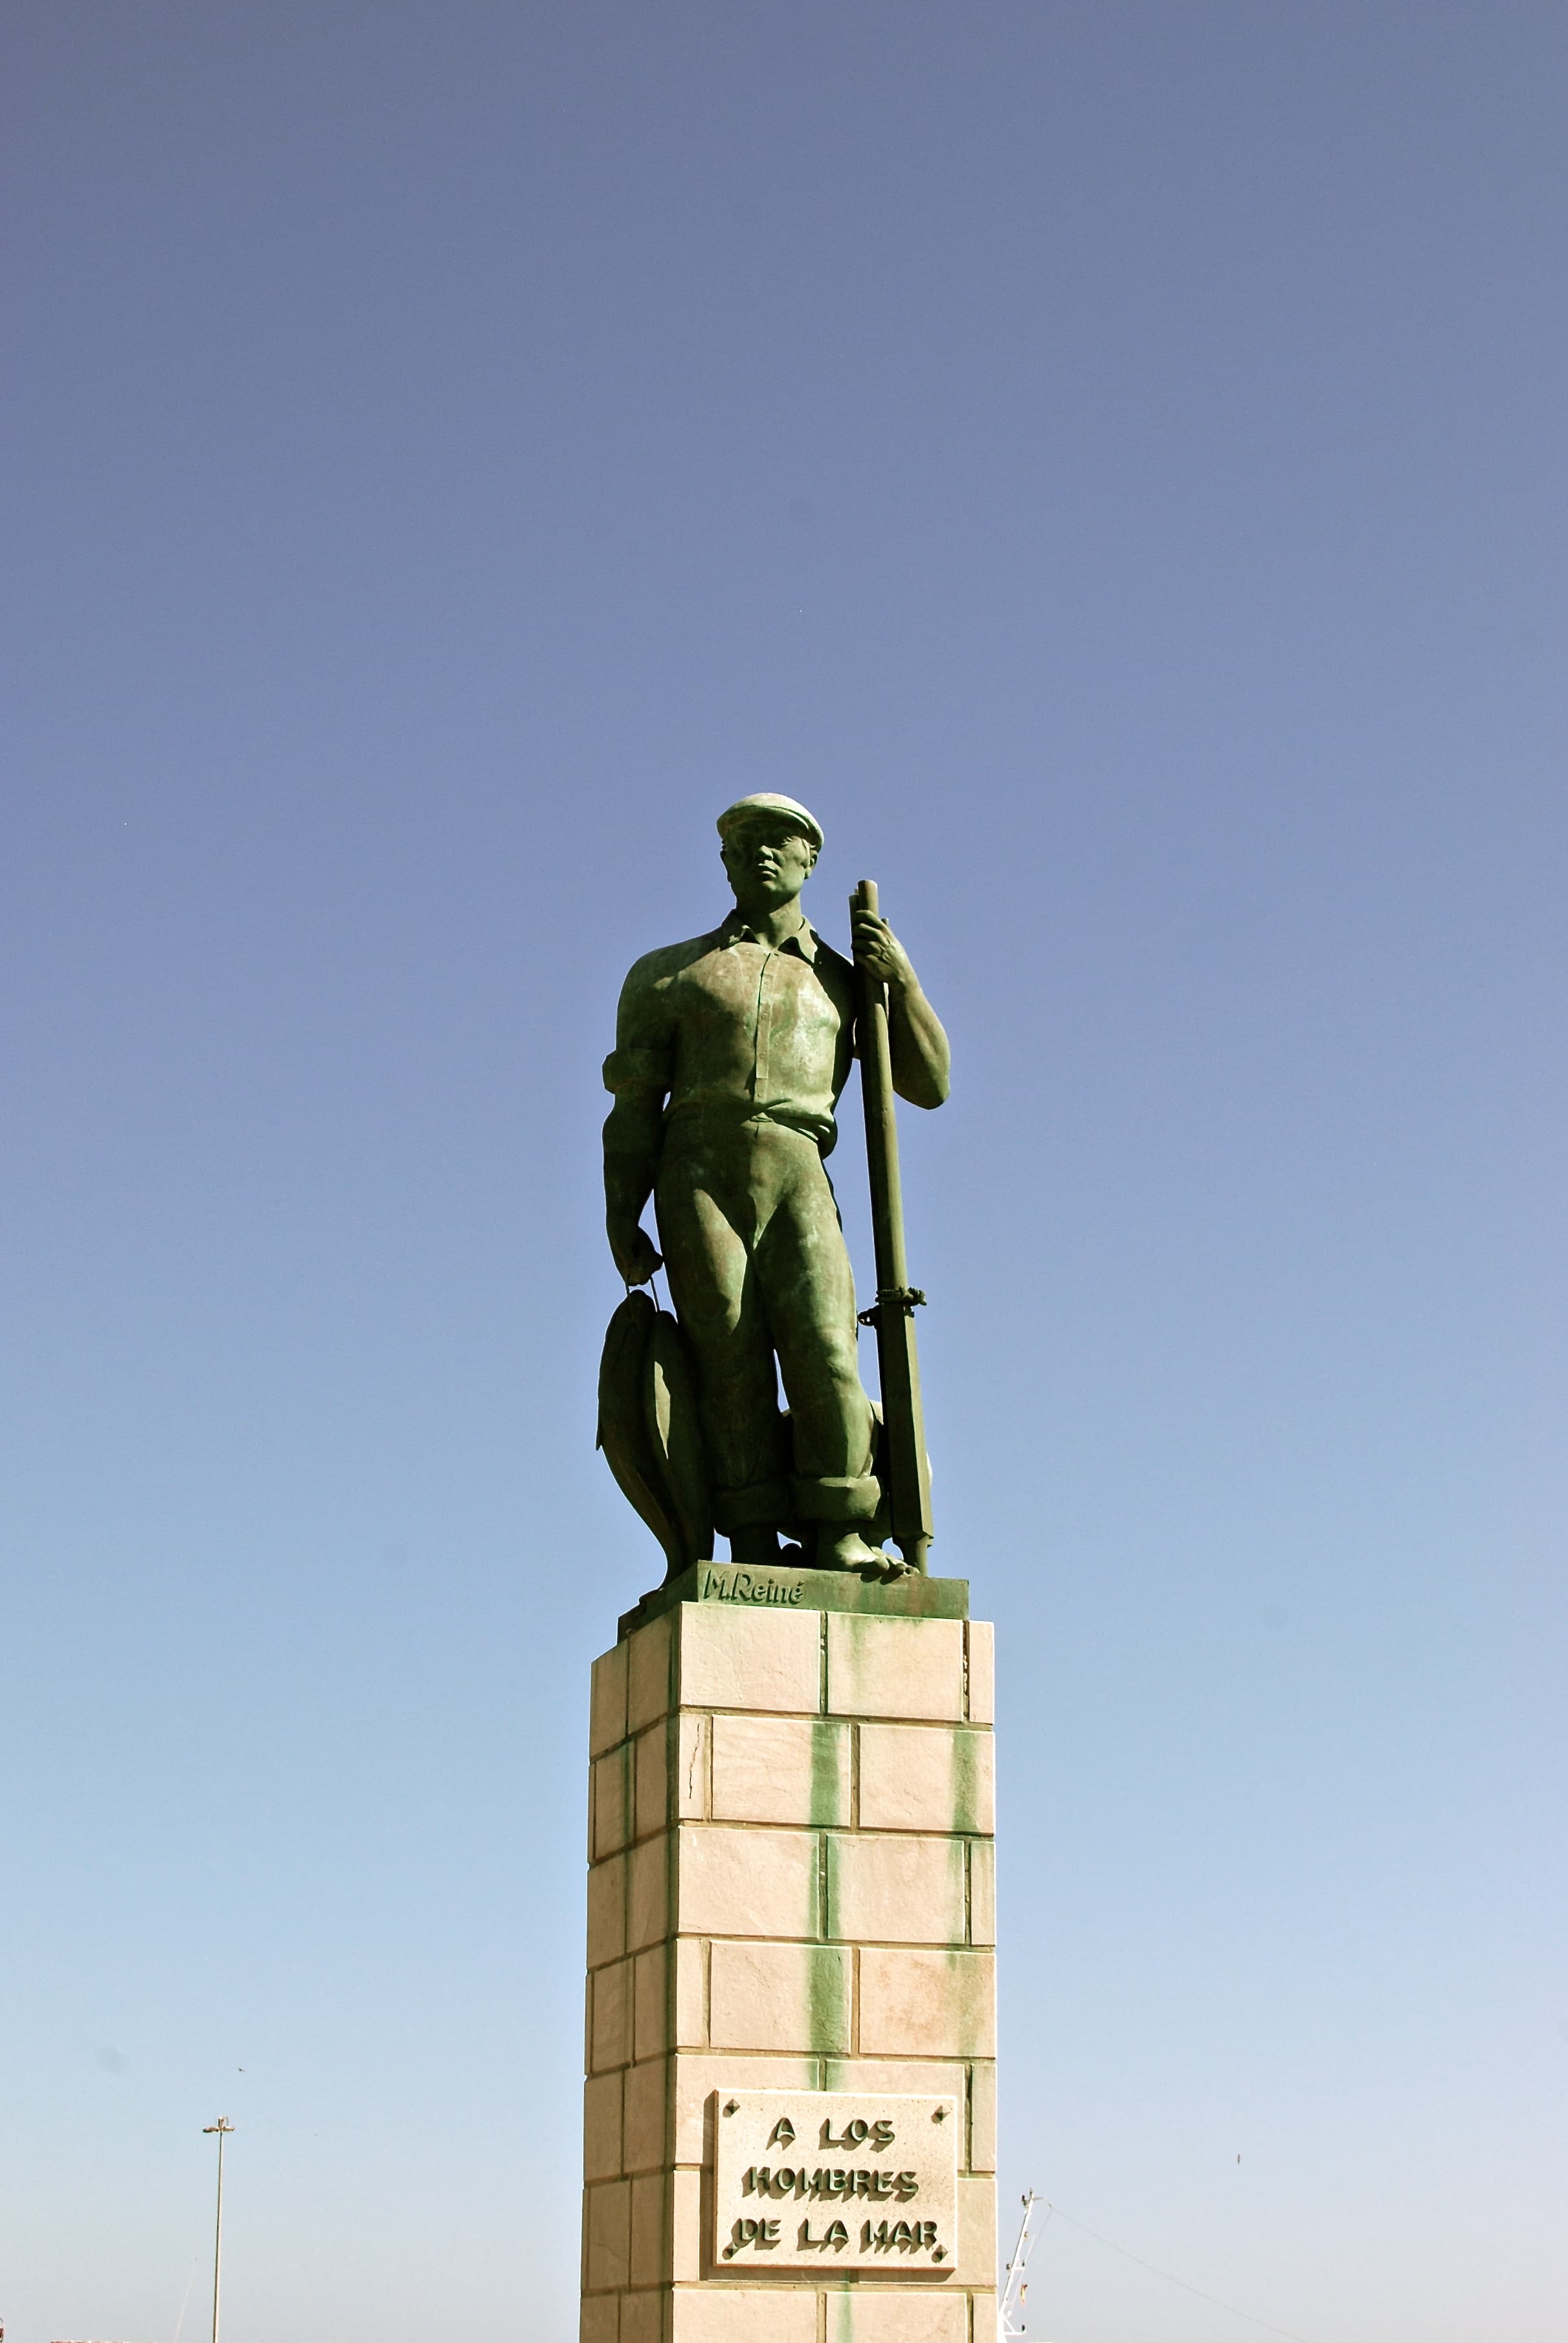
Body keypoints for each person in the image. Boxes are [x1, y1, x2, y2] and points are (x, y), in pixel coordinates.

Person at [602, 793, 950, 1570]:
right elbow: (631, 1110)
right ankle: (752, 1536)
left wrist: (902, 983)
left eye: (779, 841)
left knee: (828, 1349)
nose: (761, 852)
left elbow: (928, 1084)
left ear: (807, 862)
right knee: (727, 1355)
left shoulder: (844, 978)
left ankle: (842, 1528)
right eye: (744, 842)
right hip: (695, 1166)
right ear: (723, 861)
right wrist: (620, 1212)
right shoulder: (666, 975)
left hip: (798, 1162)